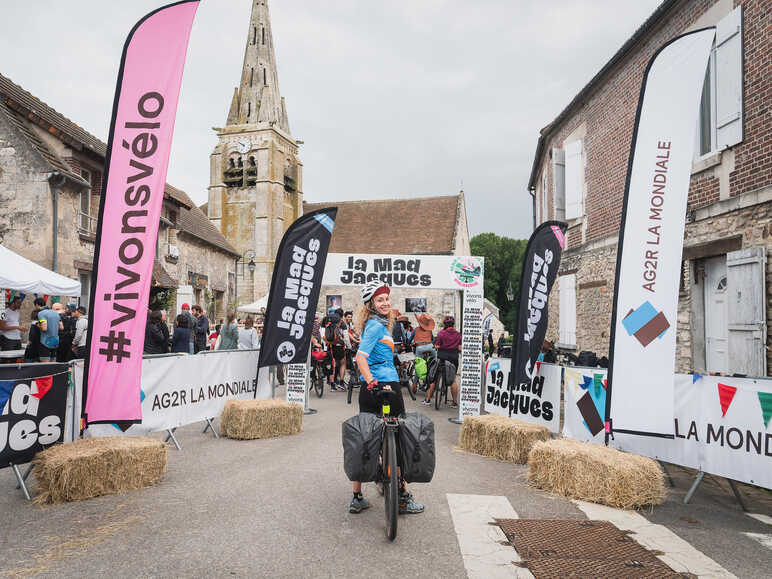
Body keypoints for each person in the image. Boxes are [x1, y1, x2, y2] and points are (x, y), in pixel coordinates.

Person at [350, 280, 424, 515]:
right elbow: (360, 358)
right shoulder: (375, 326)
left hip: (370, 387)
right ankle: (402, 496)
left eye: (387, 299)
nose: (385, 303)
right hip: (384, 387)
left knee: (364, 440)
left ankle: (357, 497)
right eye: (380, 299)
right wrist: (373, 380)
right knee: (400, 439)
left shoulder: (379, 326)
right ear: (370, 304)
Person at [423, 315, 460, 407]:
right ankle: (455, 402)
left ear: (445, 324)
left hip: (442, 358)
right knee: (453, 380)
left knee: (434, 378)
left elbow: (437, 346)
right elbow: (460, 347)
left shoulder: (441, 333)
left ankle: (427, 400)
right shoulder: (458, 334)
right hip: (453, 358)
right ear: (453, 324)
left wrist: (437, 346)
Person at [36, 298, 63, 363]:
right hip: (55, 341)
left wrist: (38, 326)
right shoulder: (56, 314)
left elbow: (44, 328)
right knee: (53, 364)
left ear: (37, 306)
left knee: (45, 366)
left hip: (45, 341)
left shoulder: (41, 313)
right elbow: (61, 327)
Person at [324, 313, 346, 391]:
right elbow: (345, 338)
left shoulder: (328, 327)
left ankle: (332, 385)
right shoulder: (341, 327)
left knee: (332, 365)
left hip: (330, 347)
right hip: (339, 347)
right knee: (343, 363)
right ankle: (341, 382)